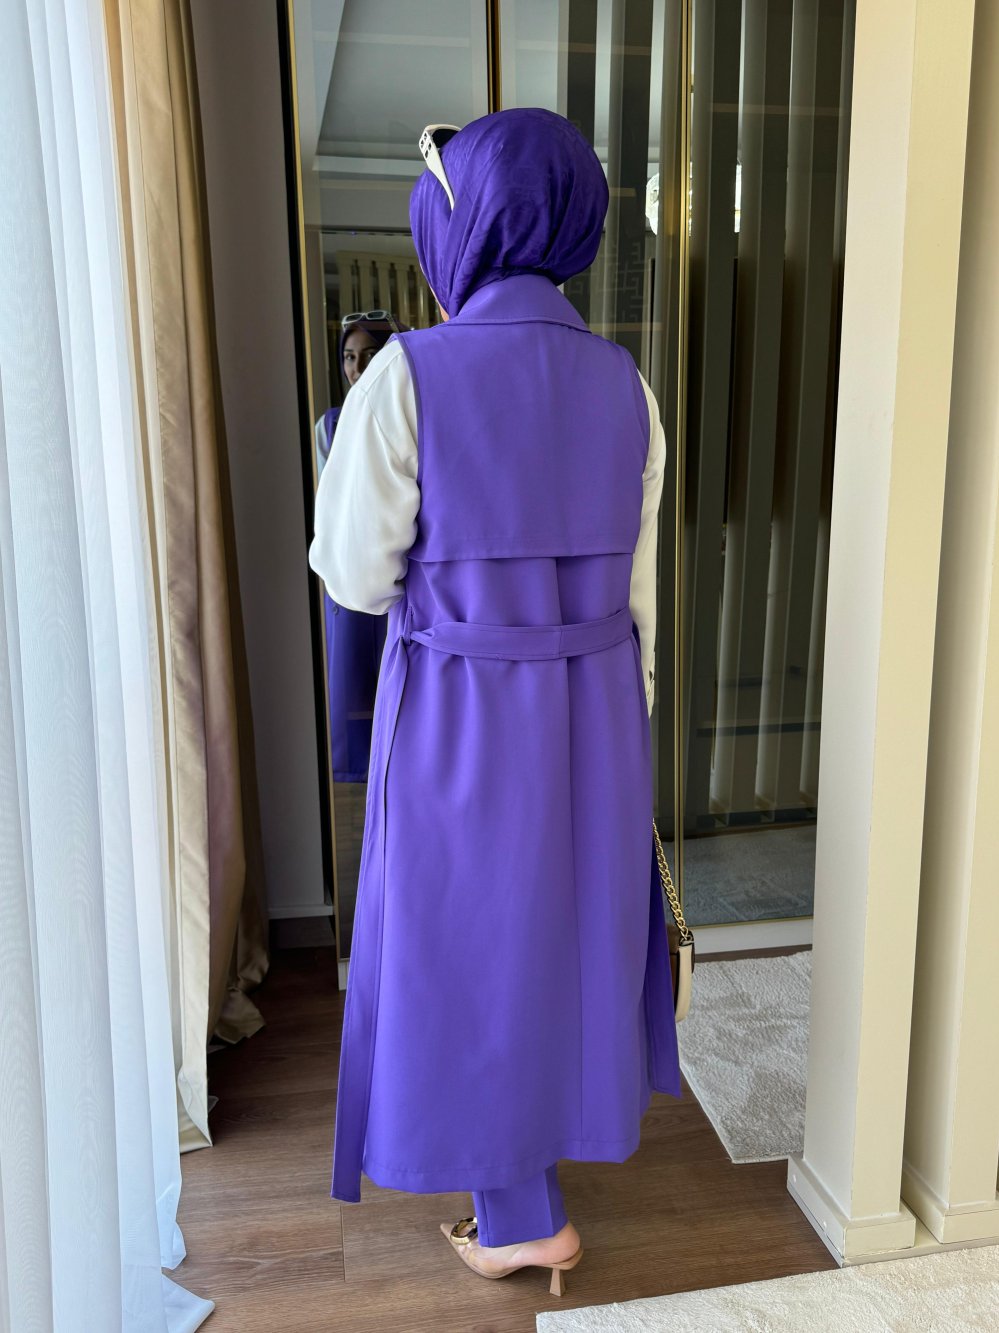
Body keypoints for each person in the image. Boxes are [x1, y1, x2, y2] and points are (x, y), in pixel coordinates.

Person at [308, 106, 681, 1297]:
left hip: (461, 705)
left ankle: (521, 1215)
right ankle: (525, 1197)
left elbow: (355, 574)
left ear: (457, 227)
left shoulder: (405, 376)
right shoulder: (627, 385)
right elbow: (640, 595)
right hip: (596, 709)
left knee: (462, 945)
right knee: (564, 936)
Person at [314, 313, 407, 782]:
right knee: (352, 683)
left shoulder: (406, 414)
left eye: (369, 355)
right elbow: (331, 505)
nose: (357, 367)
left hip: (395, 564)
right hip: (353, 565)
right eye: (350, 357)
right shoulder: (330, 426)